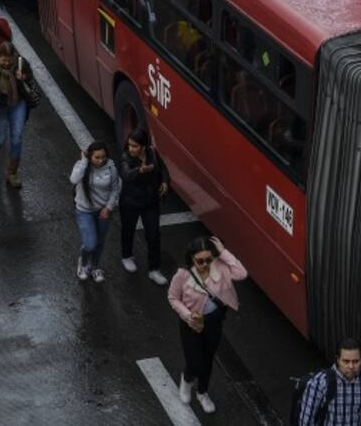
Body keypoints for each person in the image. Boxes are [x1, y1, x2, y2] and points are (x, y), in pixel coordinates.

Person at [168, 235, 248, 413]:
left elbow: (242, 273)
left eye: (208, 259)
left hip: (214, 320)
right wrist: (188, 315)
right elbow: (173, 298)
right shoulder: (182, 275)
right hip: (191, 322)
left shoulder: (220, 266)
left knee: (207, 360)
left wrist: (223, 252)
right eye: (200, 261)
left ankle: (202, 393)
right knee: (195, 361)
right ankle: (187, 380)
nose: (205, 264)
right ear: (191, 259)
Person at [0, 41, 40, 190]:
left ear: (13, 57)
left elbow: (30, 79)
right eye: (3, 60)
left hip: (17, 104)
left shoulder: (21, 63)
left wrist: (22, 77)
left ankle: (12, 172)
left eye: (9, 60)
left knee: (17, 138)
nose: (6, 63)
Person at [297, 338, 361, 426]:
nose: (351, 366)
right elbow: (306, 420)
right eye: (346, 361)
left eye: (356, 361)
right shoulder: (320, 382)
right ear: (337, 360)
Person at [119, 128, 170, 285]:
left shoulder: (152, 153)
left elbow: (163, 169)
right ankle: (127, 256)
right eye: (129, 145)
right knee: (128, 229)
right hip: (130, 202)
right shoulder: (125, 157)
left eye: (135, 146)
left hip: (150, 202)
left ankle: (154, 269)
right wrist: (139, 170)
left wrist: (165, 182)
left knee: (154, 235)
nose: (131, 149)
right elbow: (126, 175)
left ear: (143, 146)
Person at [71, 141, 121, 282]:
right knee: (90, 243)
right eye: (97, 157)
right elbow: (73, 179)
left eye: (103, 157)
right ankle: (84, 262)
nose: (101, 160)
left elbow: (115, 189)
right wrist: (84, 162)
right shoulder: (82, 166)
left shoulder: (111, 168)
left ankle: (95, 266)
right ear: (90, 157)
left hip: (103, 212)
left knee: (100, 241)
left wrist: (109, 207)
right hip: (84, 211)